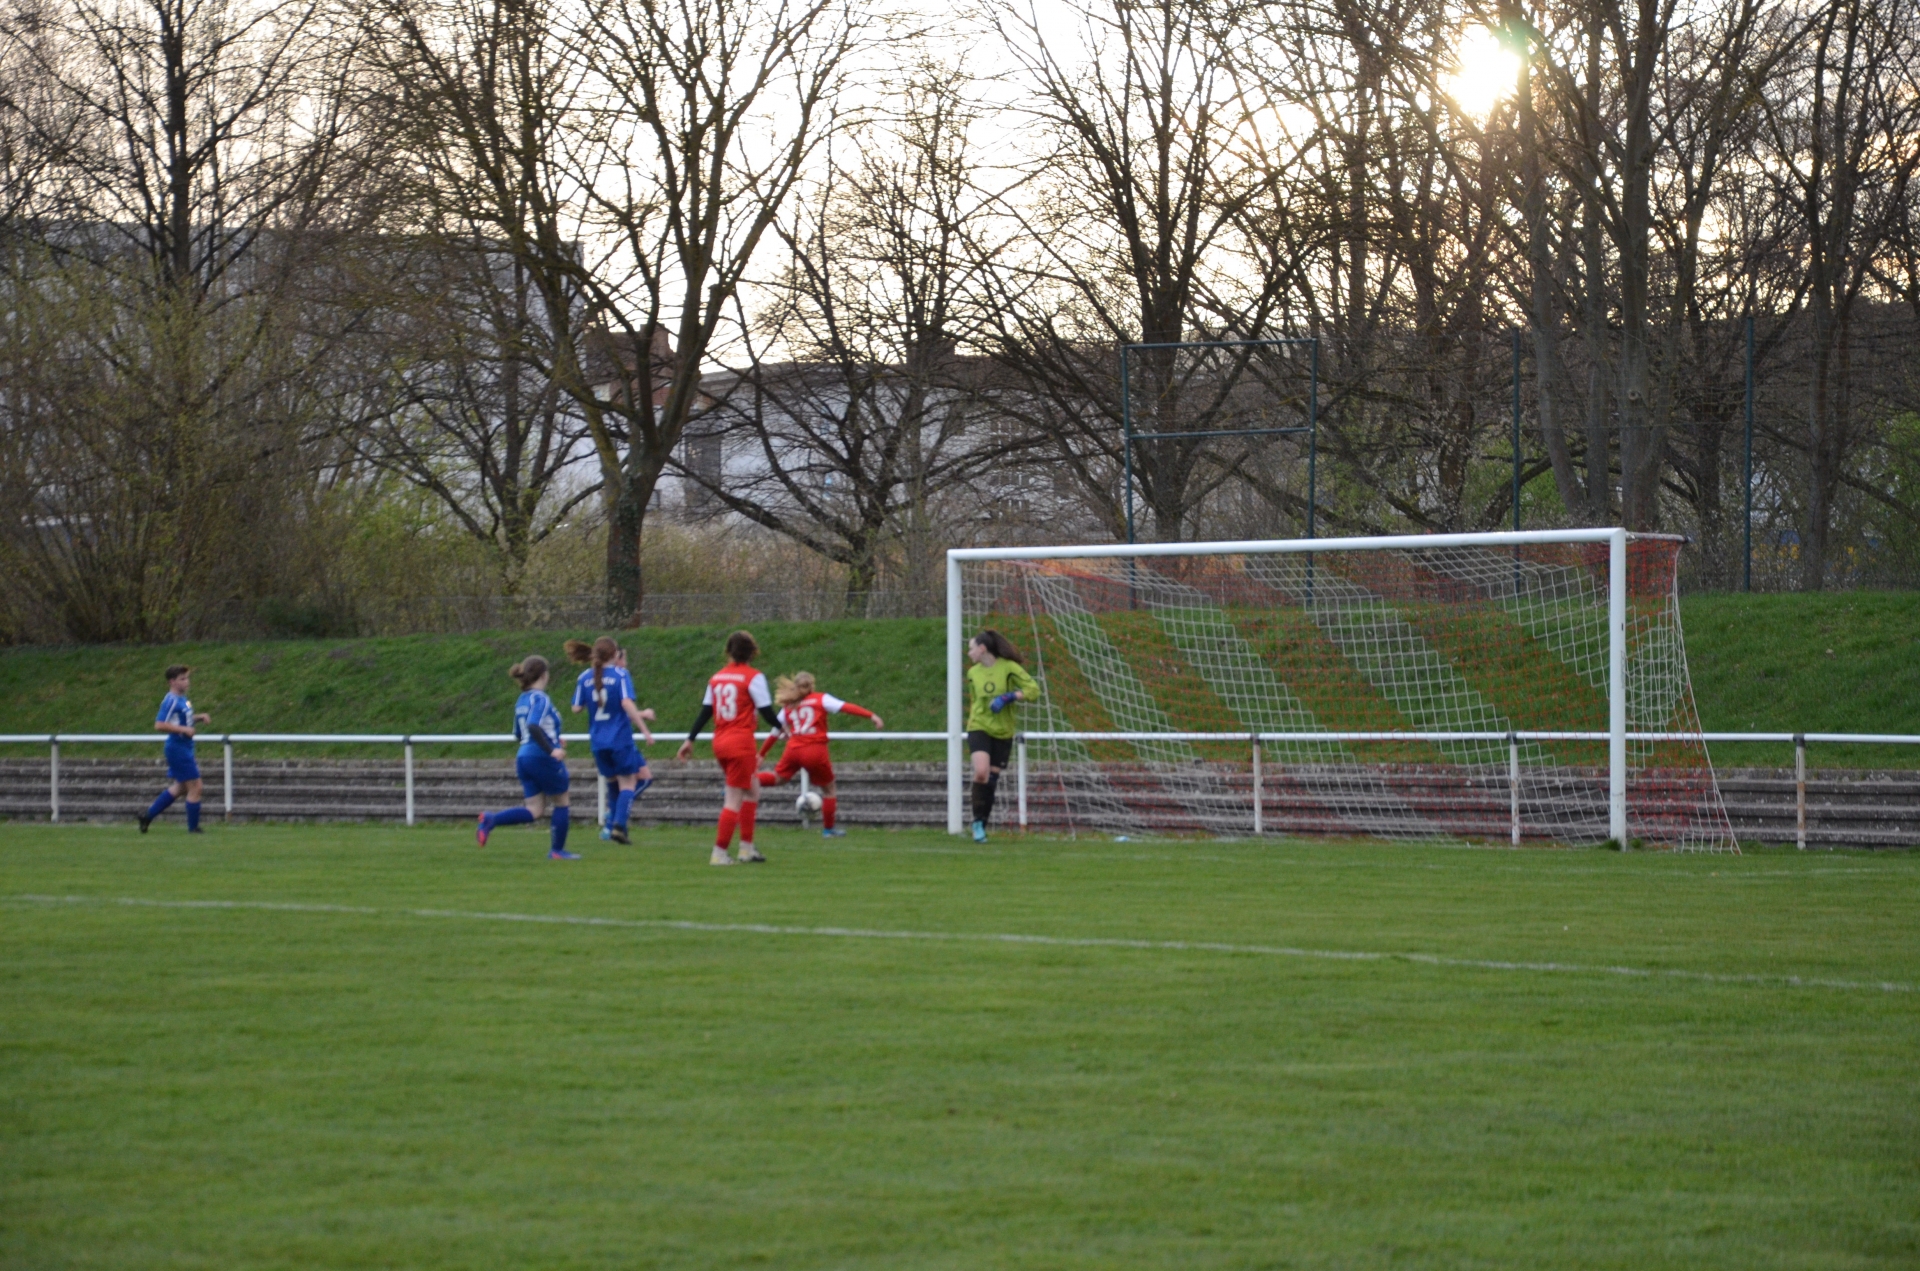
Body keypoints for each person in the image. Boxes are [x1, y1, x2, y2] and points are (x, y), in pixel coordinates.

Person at [676, 630, 784, 866]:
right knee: (734, 798)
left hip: (721, 741)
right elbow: (766, 711)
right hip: (740, 742)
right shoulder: (753, 677)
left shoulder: (717, 678)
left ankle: (746, 848)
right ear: (753, 652)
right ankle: (719, 853)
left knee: (752, 790)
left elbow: (706, 711)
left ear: (728, 651)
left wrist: (690, 739)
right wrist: (782, 728)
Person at [756, 671, 882, 837]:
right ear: (812, 686)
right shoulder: (821, 699)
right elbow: (846, 707)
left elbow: (775, 732)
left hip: (793, 750)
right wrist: (871, 715)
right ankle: (828, 830)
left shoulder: (788, 707)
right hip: (814, 750)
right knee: (829, 789)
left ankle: (743, 782)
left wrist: (762, 754)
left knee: (778, 779)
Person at [475, 656, 577, 860]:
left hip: (524, 757)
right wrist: (551, 749)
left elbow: (518, 734)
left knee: (535, 809)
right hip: (541, 757)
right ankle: (557, 851)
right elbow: (533, 725)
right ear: (544, 675)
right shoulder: (540, 698)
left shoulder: (522, 699)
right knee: (561, 801)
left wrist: (553, 738)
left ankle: (491, 820)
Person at [565, 637, 656, 844]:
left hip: (598, 741)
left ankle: (612, 825)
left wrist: (593, 701)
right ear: (615, 654)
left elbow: (576, 708)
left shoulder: (584, 677)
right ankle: (618, 826)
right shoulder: (620, 675)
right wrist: (645, 730)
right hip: (619, 739)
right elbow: (626, 703)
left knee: (613, 784)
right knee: (628, 783)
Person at [965, 629, 1039, 843]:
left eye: (971, 649)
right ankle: (976, 822)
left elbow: (1033, 690)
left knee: (992, 779)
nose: (969, 653)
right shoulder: (973, 673)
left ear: (982, 648)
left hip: (1003, 730)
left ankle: (982, 823)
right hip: (978, 726)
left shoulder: (1009, 668)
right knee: (981, 772)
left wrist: (1009, 697)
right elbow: (975, 701)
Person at [140, 664, 211, 833]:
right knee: (196, 786)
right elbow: (159, 725)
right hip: (177, 748)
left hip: (185, 747)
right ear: (172, 682)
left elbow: (181, 719)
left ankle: (147, 817)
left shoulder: (182, 699)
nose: (187, 682)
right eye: (182, 679)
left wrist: (198, 718)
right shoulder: (170, 700)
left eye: (187, 678)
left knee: (181, 787)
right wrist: (184, 730)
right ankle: (193, 829)